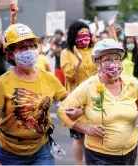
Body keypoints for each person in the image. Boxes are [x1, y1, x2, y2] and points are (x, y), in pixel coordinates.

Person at [57, 38, 138, 165]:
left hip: (130, 153)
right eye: (108, 59)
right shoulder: (88, 86)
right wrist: (87, 130)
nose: (114, 63)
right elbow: (61, 112)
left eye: (117, 59)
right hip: (99, 156)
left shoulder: (131, 83)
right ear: (97, 63)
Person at [0, 23, 68, 165]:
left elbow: (68, 99)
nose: (30, 50)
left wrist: (78, 107)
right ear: (11, 53)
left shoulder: (48, 78)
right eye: (23, 47)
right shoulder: (1, 83)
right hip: (9, 154)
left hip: (42, 150)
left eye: (32, 46)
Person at [60, 21, 97, 165]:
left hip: (95, 98)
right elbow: (68, 76)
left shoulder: (94, 50)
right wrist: (78, 63)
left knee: (95, 134)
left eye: (87, 33)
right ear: (73, 36)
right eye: (81, 34)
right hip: (75, 101)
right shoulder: (66, 53)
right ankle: (79, 163)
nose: (85, 37)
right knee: (78, 137)